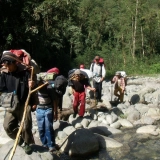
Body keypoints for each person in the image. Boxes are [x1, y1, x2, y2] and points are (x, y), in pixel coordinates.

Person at [0, 51, 36, 154]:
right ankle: (20, 140)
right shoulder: (4, 74)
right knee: (7, 126)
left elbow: (33, 89)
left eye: (8, 65)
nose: (7, 68)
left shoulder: (25, 72)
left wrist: (32, 86)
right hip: (11, 104)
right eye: (5, 66)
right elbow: (2, 89)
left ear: (14, 63)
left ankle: (27, 143)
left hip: (24, 103)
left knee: (26, 126)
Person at [35, 68, 60, 153]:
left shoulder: (49, 88)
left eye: (38, 83)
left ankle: (51, 145)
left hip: (48, 109)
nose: (38, 84)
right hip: (39, 109)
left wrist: (55, 112)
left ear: (41, 82)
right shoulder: (34, 88)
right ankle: (44, 144)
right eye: (36, 83)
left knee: (48, 127)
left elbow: (55, 101)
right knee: (41, 128)